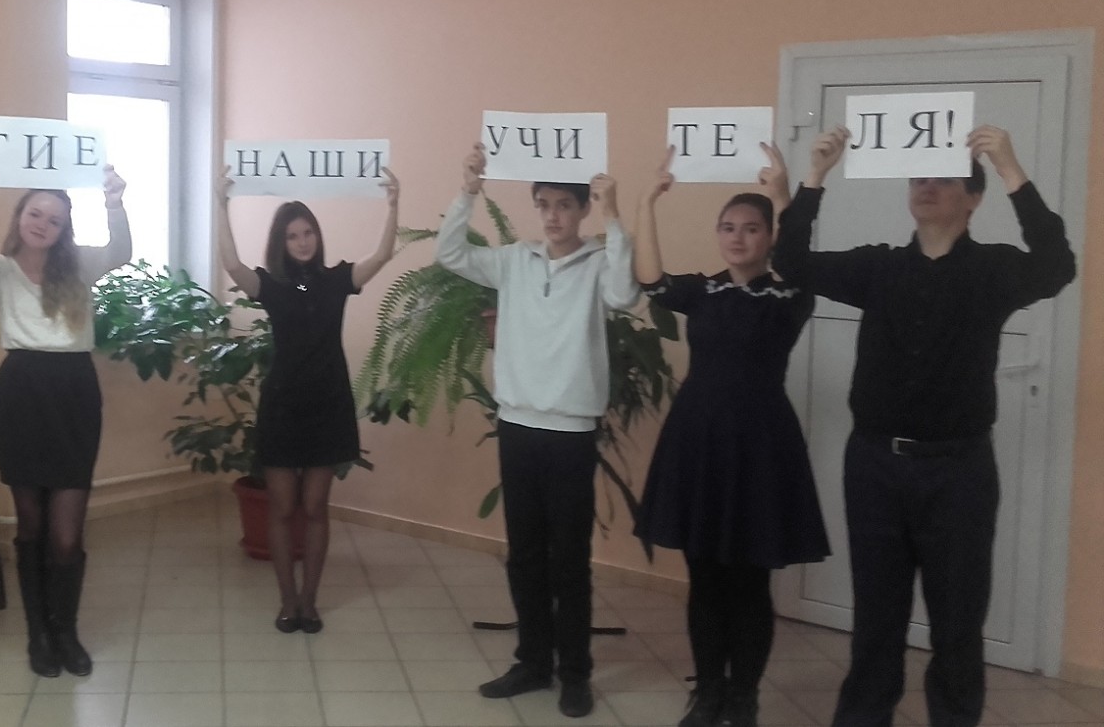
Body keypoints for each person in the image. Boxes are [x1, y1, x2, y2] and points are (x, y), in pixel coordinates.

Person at [772, 125, 1075, 727]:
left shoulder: (994, 270)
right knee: (876, 620)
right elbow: (791, 262)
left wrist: (1010, 168)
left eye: (944, 178)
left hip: (959, 472)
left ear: (974, 198)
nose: (926, 185)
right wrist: (815, 176)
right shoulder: (878, 267)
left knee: (958, 625)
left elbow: (1056, 266)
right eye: (919, 177)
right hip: (874, 466)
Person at [436, 142, 640, 718]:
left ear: (583, 210)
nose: (553, 216)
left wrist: (615, 214)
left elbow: (625, 294)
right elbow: (450, 253)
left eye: (565, 205)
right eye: (544, 204)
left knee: (569, 559)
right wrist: (468, 189)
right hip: (518, 425)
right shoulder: (513, 260)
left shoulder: (599, 262)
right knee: (524, 554)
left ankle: (575, 673)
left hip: (571, 431)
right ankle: (532, 662)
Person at [632, 144, 829, 727]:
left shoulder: (792, 294)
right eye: (728, 228)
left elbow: (799, 257)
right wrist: (647, 202)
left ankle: (744, 694)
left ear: (770, 237)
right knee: (705, 580)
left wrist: (784, 195)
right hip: (698, 444)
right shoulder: (703, 291)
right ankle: (709, 691)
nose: (738, 237)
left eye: (751, 228)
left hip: (761, 448)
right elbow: (649, 279)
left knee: (749, 581)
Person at [0, 164, 130, 679]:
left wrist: (114, 202)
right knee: (31, 523)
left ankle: (65, 630)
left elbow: (121, 252)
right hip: (21, 394)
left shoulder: (80, 266)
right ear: (20, 217)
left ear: (64, 227)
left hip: (74, 393)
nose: (43, 224)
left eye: (54, 219)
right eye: (35, 213)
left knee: (66, 533)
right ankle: (38, 635)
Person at [215, 166, 400, 633]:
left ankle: (310, 602)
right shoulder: (273, 285)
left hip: (328, 405)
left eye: (308, 233)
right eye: (293, 235)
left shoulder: (337, 279)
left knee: (315, 508)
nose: (302, 241)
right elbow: (232, 264)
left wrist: (393, 205)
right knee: (281, 509)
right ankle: (287, 601)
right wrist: (221, 204)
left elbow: (382, 255)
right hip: (282, 406)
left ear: (317, 236)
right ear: (282, 241)